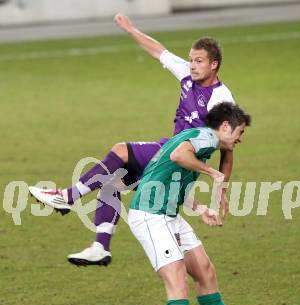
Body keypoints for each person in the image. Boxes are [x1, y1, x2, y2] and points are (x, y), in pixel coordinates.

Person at [29, 13, 235, 266]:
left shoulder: (221, 99)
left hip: (178, 158)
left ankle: (68, 197)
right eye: (191, 59)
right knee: (111, 183)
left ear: (214, 65)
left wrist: (221, 188)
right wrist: (130, 29)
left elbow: (228, 147)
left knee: (120, 151)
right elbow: (158, 50)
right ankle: (100, 247)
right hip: (169, 151)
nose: (192, 65)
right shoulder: (186, 75)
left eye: (199, 61)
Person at [127, 102, 261, 305]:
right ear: (225, 126)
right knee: (177, 281)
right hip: (151, 216)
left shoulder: (201, 141)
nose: (239, 139)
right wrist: (213, 174)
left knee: (205, 272)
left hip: (169, 214)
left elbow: (171, 177)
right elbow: (178, 156)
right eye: (239, 132)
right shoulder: (206, 137)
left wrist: (200, 208)